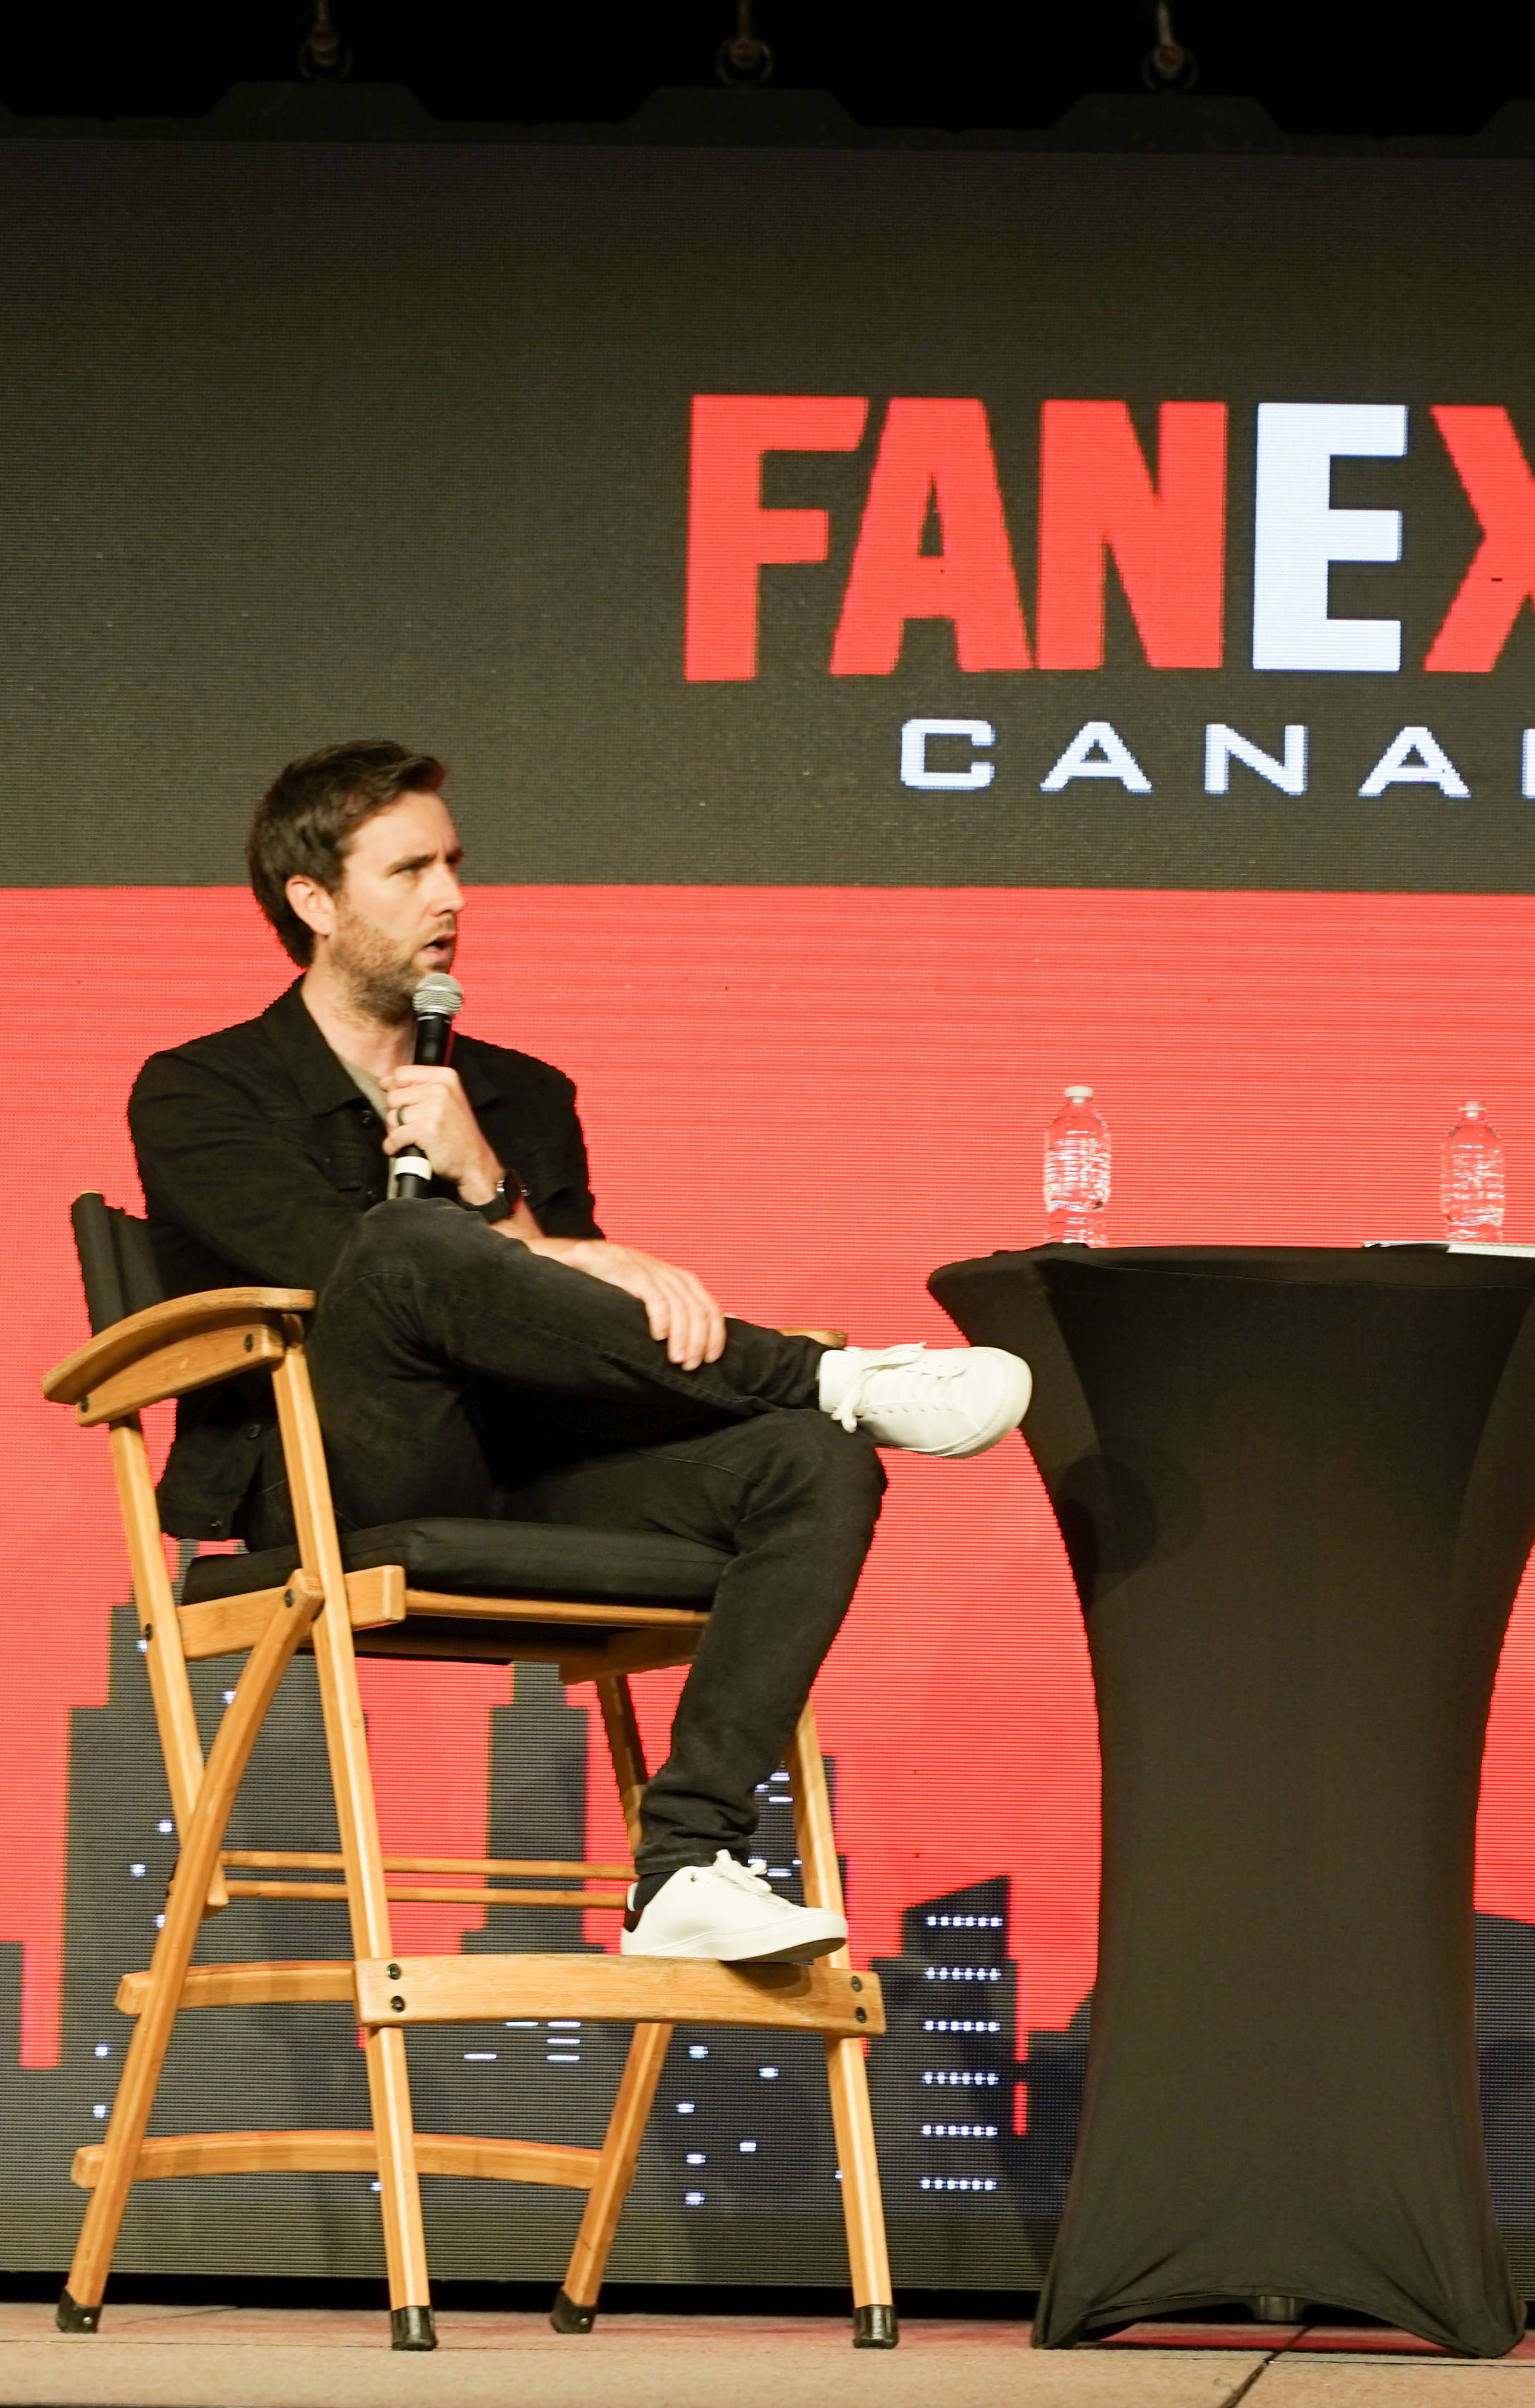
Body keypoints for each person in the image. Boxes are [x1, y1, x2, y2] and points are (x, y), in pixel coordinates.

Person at [129, 740, 1033, 1966]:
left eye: (455, 863)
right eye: (409, 870)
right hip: (341, 1473)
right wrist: (503, 1227)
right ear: (314, 902)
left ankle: (688, 1862)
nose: (451, 896)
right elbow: (342, 1272)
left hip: (537, 1466)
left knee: (814, 1467)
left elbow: (570, 1325)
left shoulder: (520, 1094)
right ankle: (829, 1372)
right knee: (396, 1246)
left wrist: (489, 1180)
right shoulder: (199, 1090)